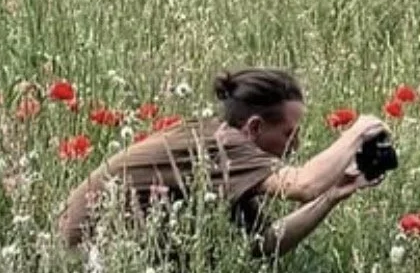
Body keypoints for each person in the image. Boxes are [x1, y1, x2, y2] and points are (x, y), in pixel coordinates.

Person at [58, 68, 393, 258]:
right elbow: (304, 184)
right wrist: (360, 130)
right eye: (289, 134)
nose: (297, 145)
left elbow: (263, 245)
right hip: (86, 264)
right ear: (255, 128)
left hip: (110, 259)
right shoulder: (221, 144)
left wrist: (333, 194)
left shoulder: (223, 161)